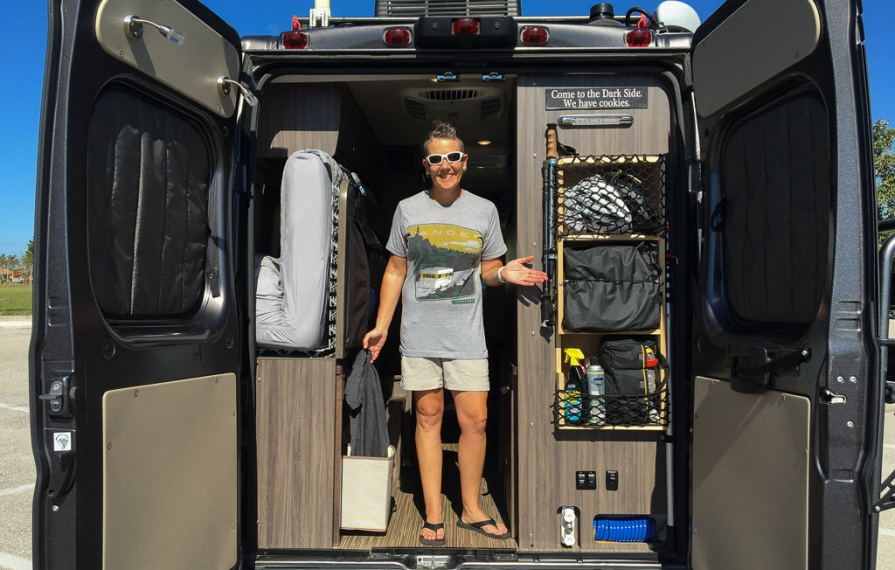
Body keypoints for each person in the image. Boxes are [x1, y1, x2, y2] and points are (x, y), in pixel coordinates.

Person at [362, 120, 548, 546]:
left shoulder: (483, 211)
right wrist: (382, 326)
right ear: (425, 166)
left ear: (465, 161)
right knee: (427, 417)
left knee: (476, 422)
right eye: (435, 159)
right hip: (420, 334)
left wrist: (503, 271)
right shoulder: (408, 209)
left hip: (466, 336)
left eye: (452, 157)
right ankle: (431, 512)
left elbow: (487, 270)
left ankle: (470, 507)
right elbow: (395, 270)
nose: (444, 165)